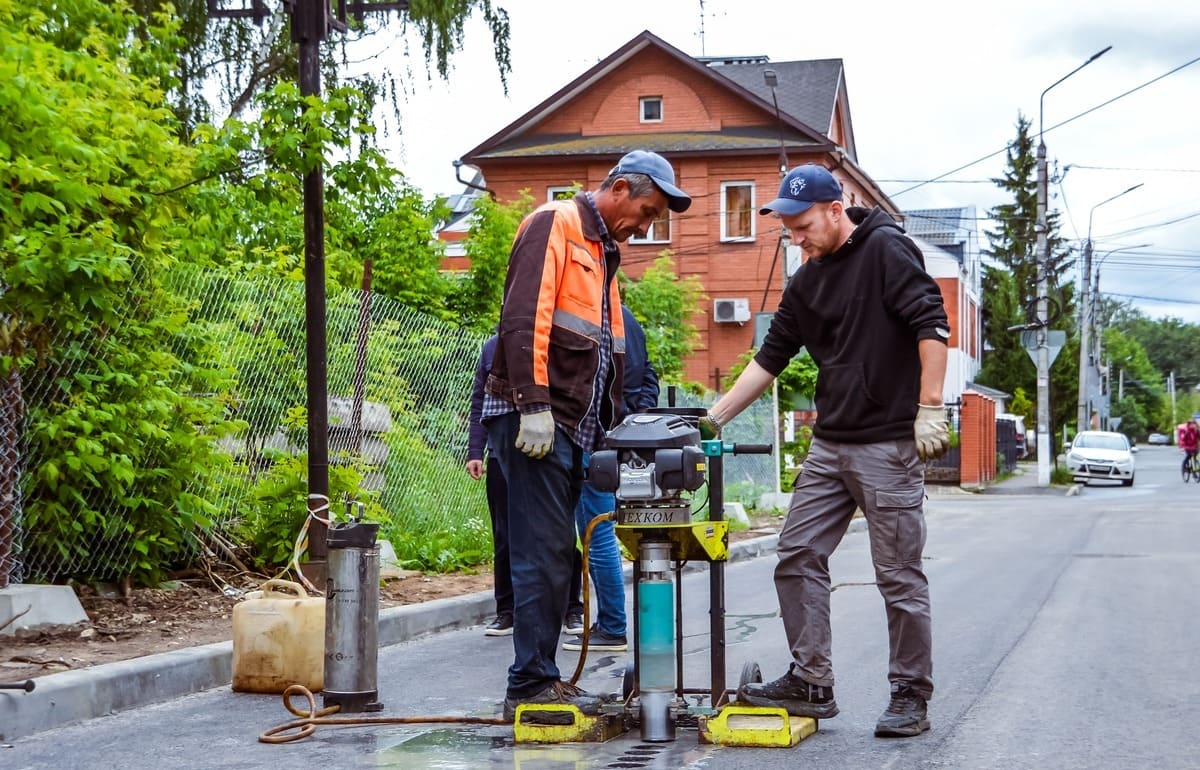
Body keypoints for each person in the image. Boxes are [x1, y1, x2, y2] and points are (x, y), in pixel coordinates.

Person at [703, 163, 950, 738]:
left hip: (888, 443)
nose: (796, 239)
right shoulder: (806, 283)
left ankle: (910, 693)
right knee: (797, 553)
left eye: (803, 225)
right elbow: (770, 357)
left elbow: (932, 326)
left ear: (836, 211)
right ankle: (812, 680)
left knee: (898, 574)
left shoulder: (887, 250)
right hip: (831, 444)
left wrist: (931, 406)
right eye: (788, 229)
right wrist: (711, 418)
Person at [483, 150, 692, 720]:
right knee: (542, 552)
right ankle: (530, 683)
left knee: (558, 553)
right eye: (647, 212)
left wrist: (612, 434)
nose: (646, 227)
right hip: (537, 419)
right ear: (620, 188)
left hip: (572, 424)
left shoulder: (602, 252)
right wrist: (532, 404)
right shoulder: (555, 223)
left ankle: (541, 676)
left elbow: (609, 354)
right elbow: (524, 317)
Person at [467, 335, 586, 638]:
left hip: (548, 451)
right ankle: (506, 611)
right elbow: (479, 402)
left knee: (560, 533)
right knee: (505, 535)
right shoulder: (491, 348)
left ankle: (571, 608)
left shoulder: (551, 343)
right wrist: (475, 451)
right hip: (501, 453)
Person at [562, 304, 659, 653]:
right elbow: (649, 377)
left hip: (594, 438)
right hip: (624, 440)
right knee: (606, 528)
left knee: (596, 532)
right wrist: (632, 420)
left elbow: (589, 381)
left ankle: (612, 625)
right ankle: (611, 622)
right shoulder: (629, 320)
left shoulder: (591, 317)